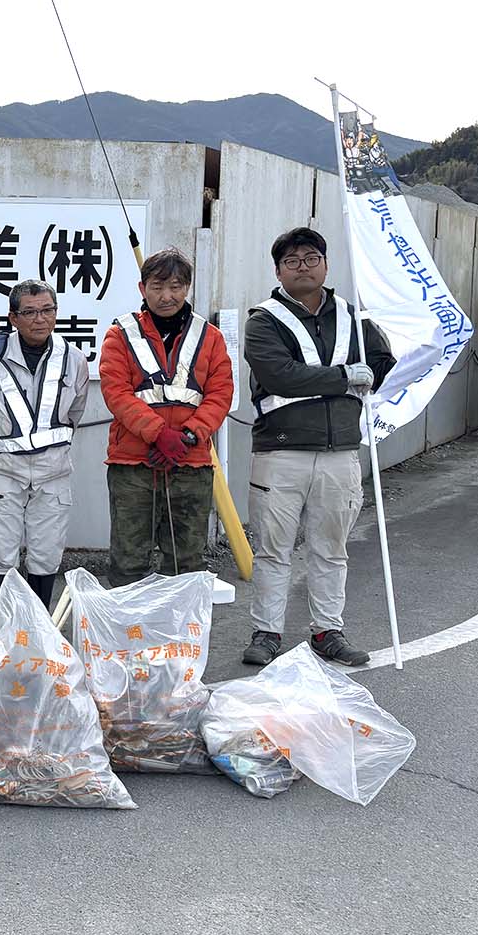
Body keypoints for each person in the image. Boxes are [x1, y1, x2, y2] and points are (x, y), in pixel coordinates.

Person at [242, 227, 396, 668]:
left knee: (331, 548)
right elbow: (279, 375)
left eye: (311, 258)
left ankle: (328, 630)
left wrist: (364, 375)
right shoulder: (263, 321)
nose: (302, 267)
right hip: (280, 451)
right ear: (278, 271)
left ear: (326, 265)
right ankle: (266, 632)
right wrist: (345, 377)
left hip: (340, 451)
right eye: (291, 261)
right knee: (273, 549)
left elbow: (382, 361)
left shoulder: (353, 317)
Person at [99, 248, 234, 587]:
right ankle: (130, 622)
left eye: (175, 286)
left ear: (187, 288)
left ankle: (180, 624)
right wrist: (158, 433)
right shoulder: (120, 334)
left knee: (186, 562)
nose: (166, 296)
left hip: (191, 462)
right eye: (157, 287)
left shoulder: (210, 337)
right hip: (133, 463)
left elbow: (220, 394)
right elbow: (116, 392)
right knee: (129, 560)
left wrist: (188, 436)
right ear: (142, 288)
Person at [0, 279, 89, 608]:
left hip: (53, 471)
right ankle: (7, 625)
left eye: (47, 310)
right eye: (30, 312)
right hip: (3, 470)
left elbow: (75, 412)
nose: (40, 319)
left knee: (46, 552)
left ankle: (38, 626)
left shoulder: (74, 358)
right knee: (2, 550)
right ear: (13, 318)